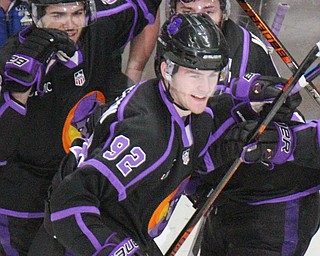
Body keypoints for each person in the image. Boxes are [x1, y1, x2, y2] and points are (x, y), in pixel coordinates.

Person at [43, 13, 233, 256]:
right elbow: (66, 205)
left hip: (128, 230)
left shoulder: (176, 104)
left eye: (211, 75)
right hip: (78, 244)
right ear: (167, 69)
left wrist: (253, 99)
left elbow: (178, 162)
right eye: (194, 75)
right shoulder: (146, 134)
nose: (204, 87)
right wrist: (113, 249)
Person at [0, 0, 161, 254]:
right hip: (21, 203)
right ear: (36, 16)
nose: (70, 24)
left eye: (77, 13)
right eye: (58, 15)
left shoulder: (99, 31)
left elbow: (144, 6)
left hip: (75, 197)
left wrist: (133, 74)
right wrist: (17, 94)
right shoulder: (11, 59)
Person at [168, 0, 320, 255]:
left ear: (224, 13)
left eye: (208, 12)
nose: (198, 22)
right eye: (187, 12)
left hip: (273, 202)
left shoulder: (247, 50)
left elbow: (278, 122)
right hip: (226, 196)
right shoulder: (173, 52)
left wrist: (291, 140)